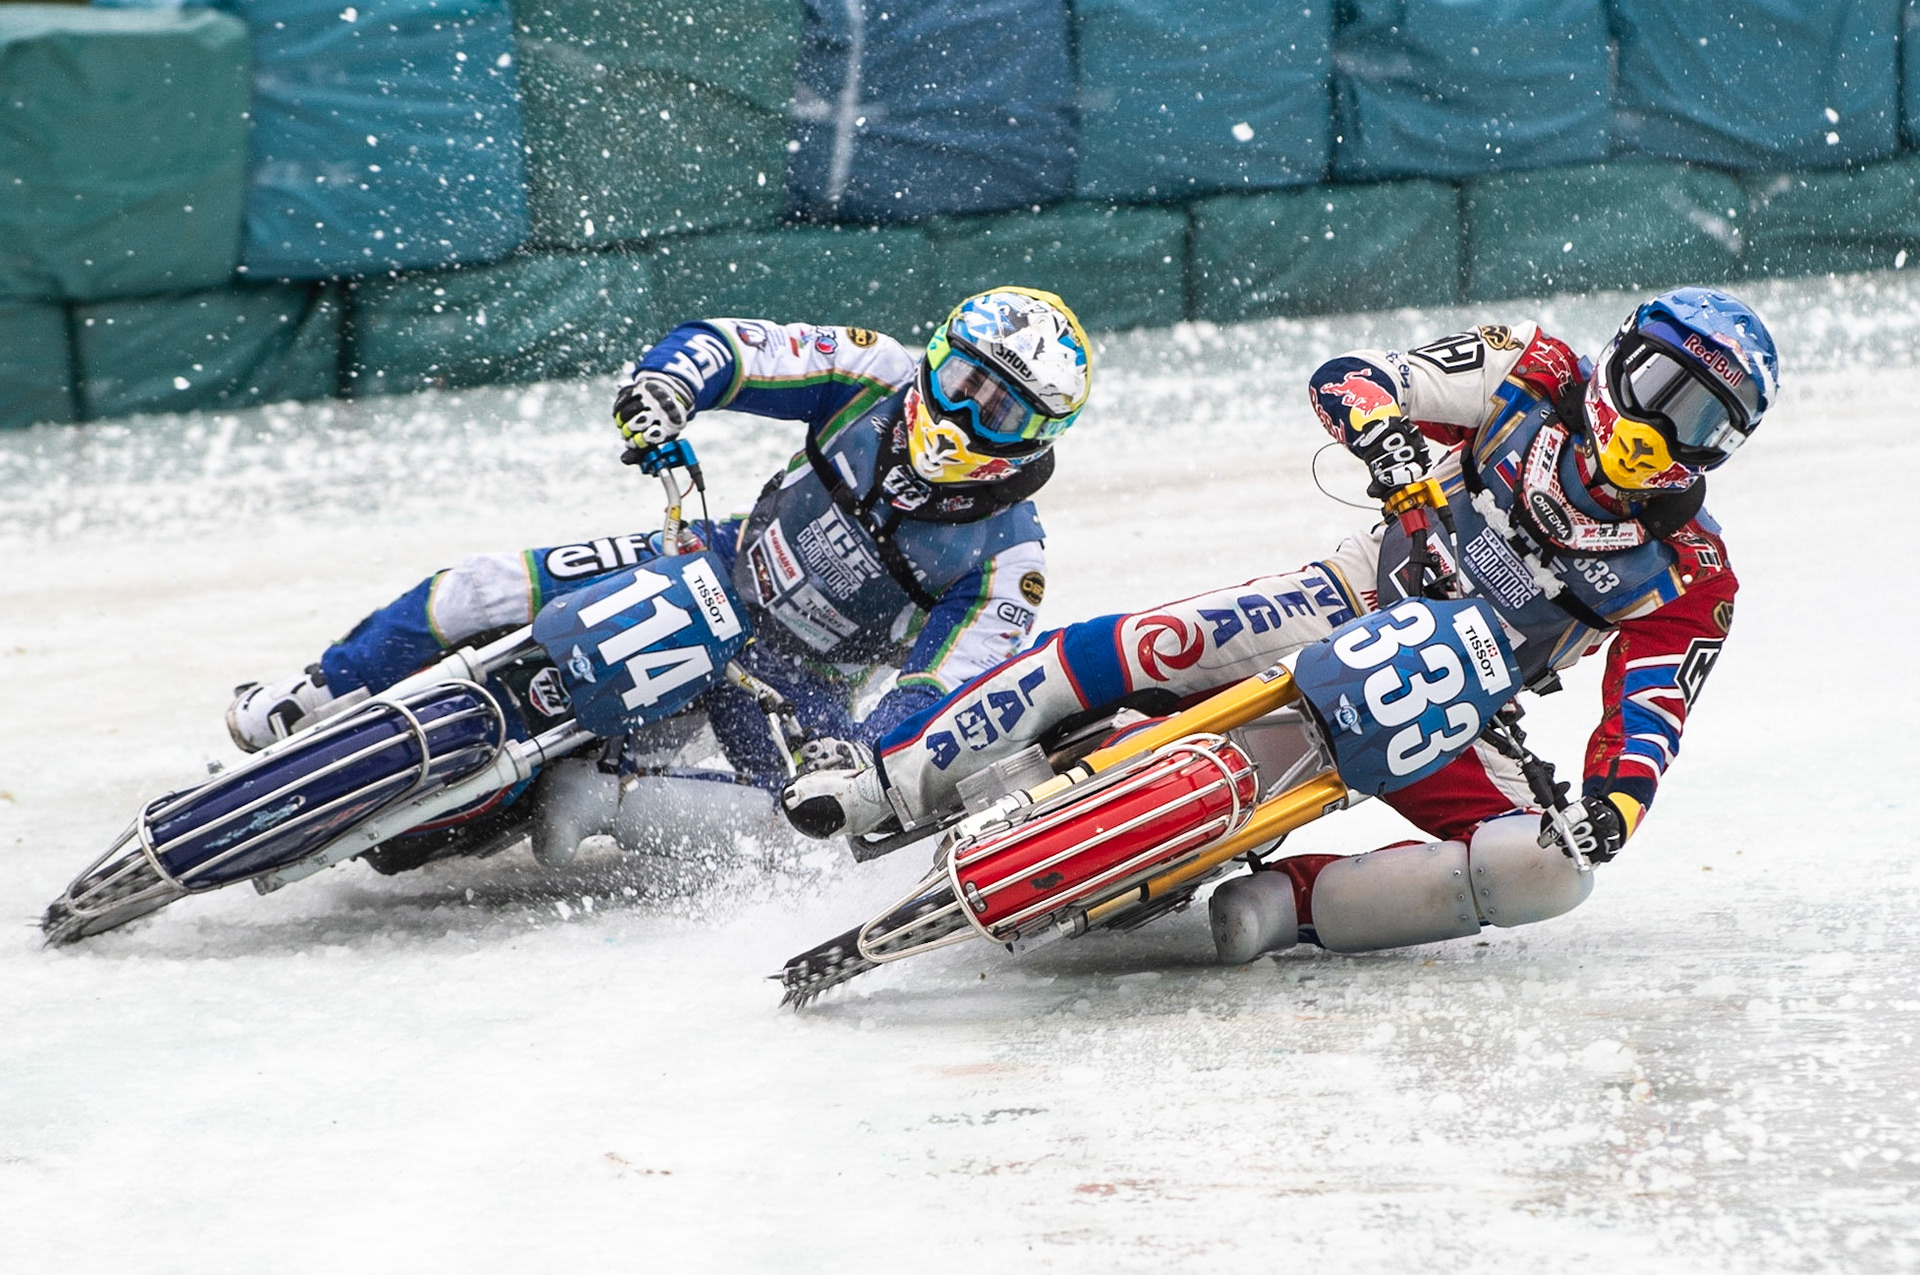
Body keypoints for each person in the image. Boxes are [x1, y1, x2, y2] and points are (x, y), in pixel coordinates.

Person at [784, 286, 1776, 959]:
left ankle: (1291, 904)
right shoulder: (1536, 368)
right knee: (1133, 647)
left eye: (1705, 423)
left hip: (1459, 708)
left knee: (1551, 877)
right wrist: (1386, 439)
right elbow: (1355, 376)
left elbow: (1653, 709)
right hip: (1351, 592)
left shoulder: (1695, 571)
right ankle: (881, 782)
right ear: (1620, 365)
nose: (1663, 432)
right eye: (1661, 391)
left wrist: (1615, 807)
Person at [225, 287, 1093, 864]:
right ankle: (318, 692)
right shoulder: (872, 371)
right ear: (935, 353)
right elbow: (735, 347)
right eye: (963, 378)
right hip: (707, 558)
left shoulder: (1010, 563)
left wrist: (863, 753)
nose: (968, 410)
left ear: (1040, 437)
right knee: (482, 587)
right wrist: (666, 392)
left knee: (817, 832)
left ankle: (600, 799)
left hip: (797, 683)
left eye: (1004, 407)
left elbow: (943, 690)